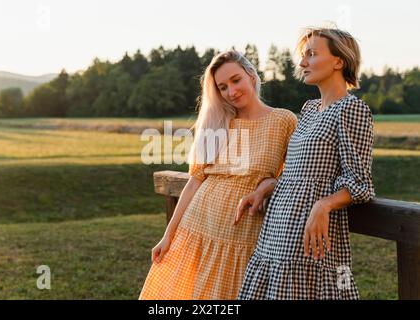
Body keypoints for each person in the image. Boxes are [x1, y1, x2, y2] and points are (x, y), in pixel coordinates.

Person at [139, 50, 298, 299]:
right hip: (199, 225)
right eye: (222, 87)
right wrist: (167, 236)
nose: (231, 92)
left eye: (236, 80)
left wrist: (268, 185)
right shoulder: (218, 122)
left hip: (244, 232)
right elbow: (195, 181)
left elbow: (295, 175)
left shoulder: (283, 121)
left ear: (251, 76)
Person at [237, 27, 375, 300]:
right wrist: (269, 186)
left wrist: (324, 204)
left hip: (308, 230)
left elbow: (360, 183)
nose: (302, 63)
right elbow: (301, 169)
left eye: (312, 54)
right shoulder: (310, 108)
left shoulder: (352, 109)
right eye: (303, 56)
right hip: (278, 223)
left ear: (339, 61)